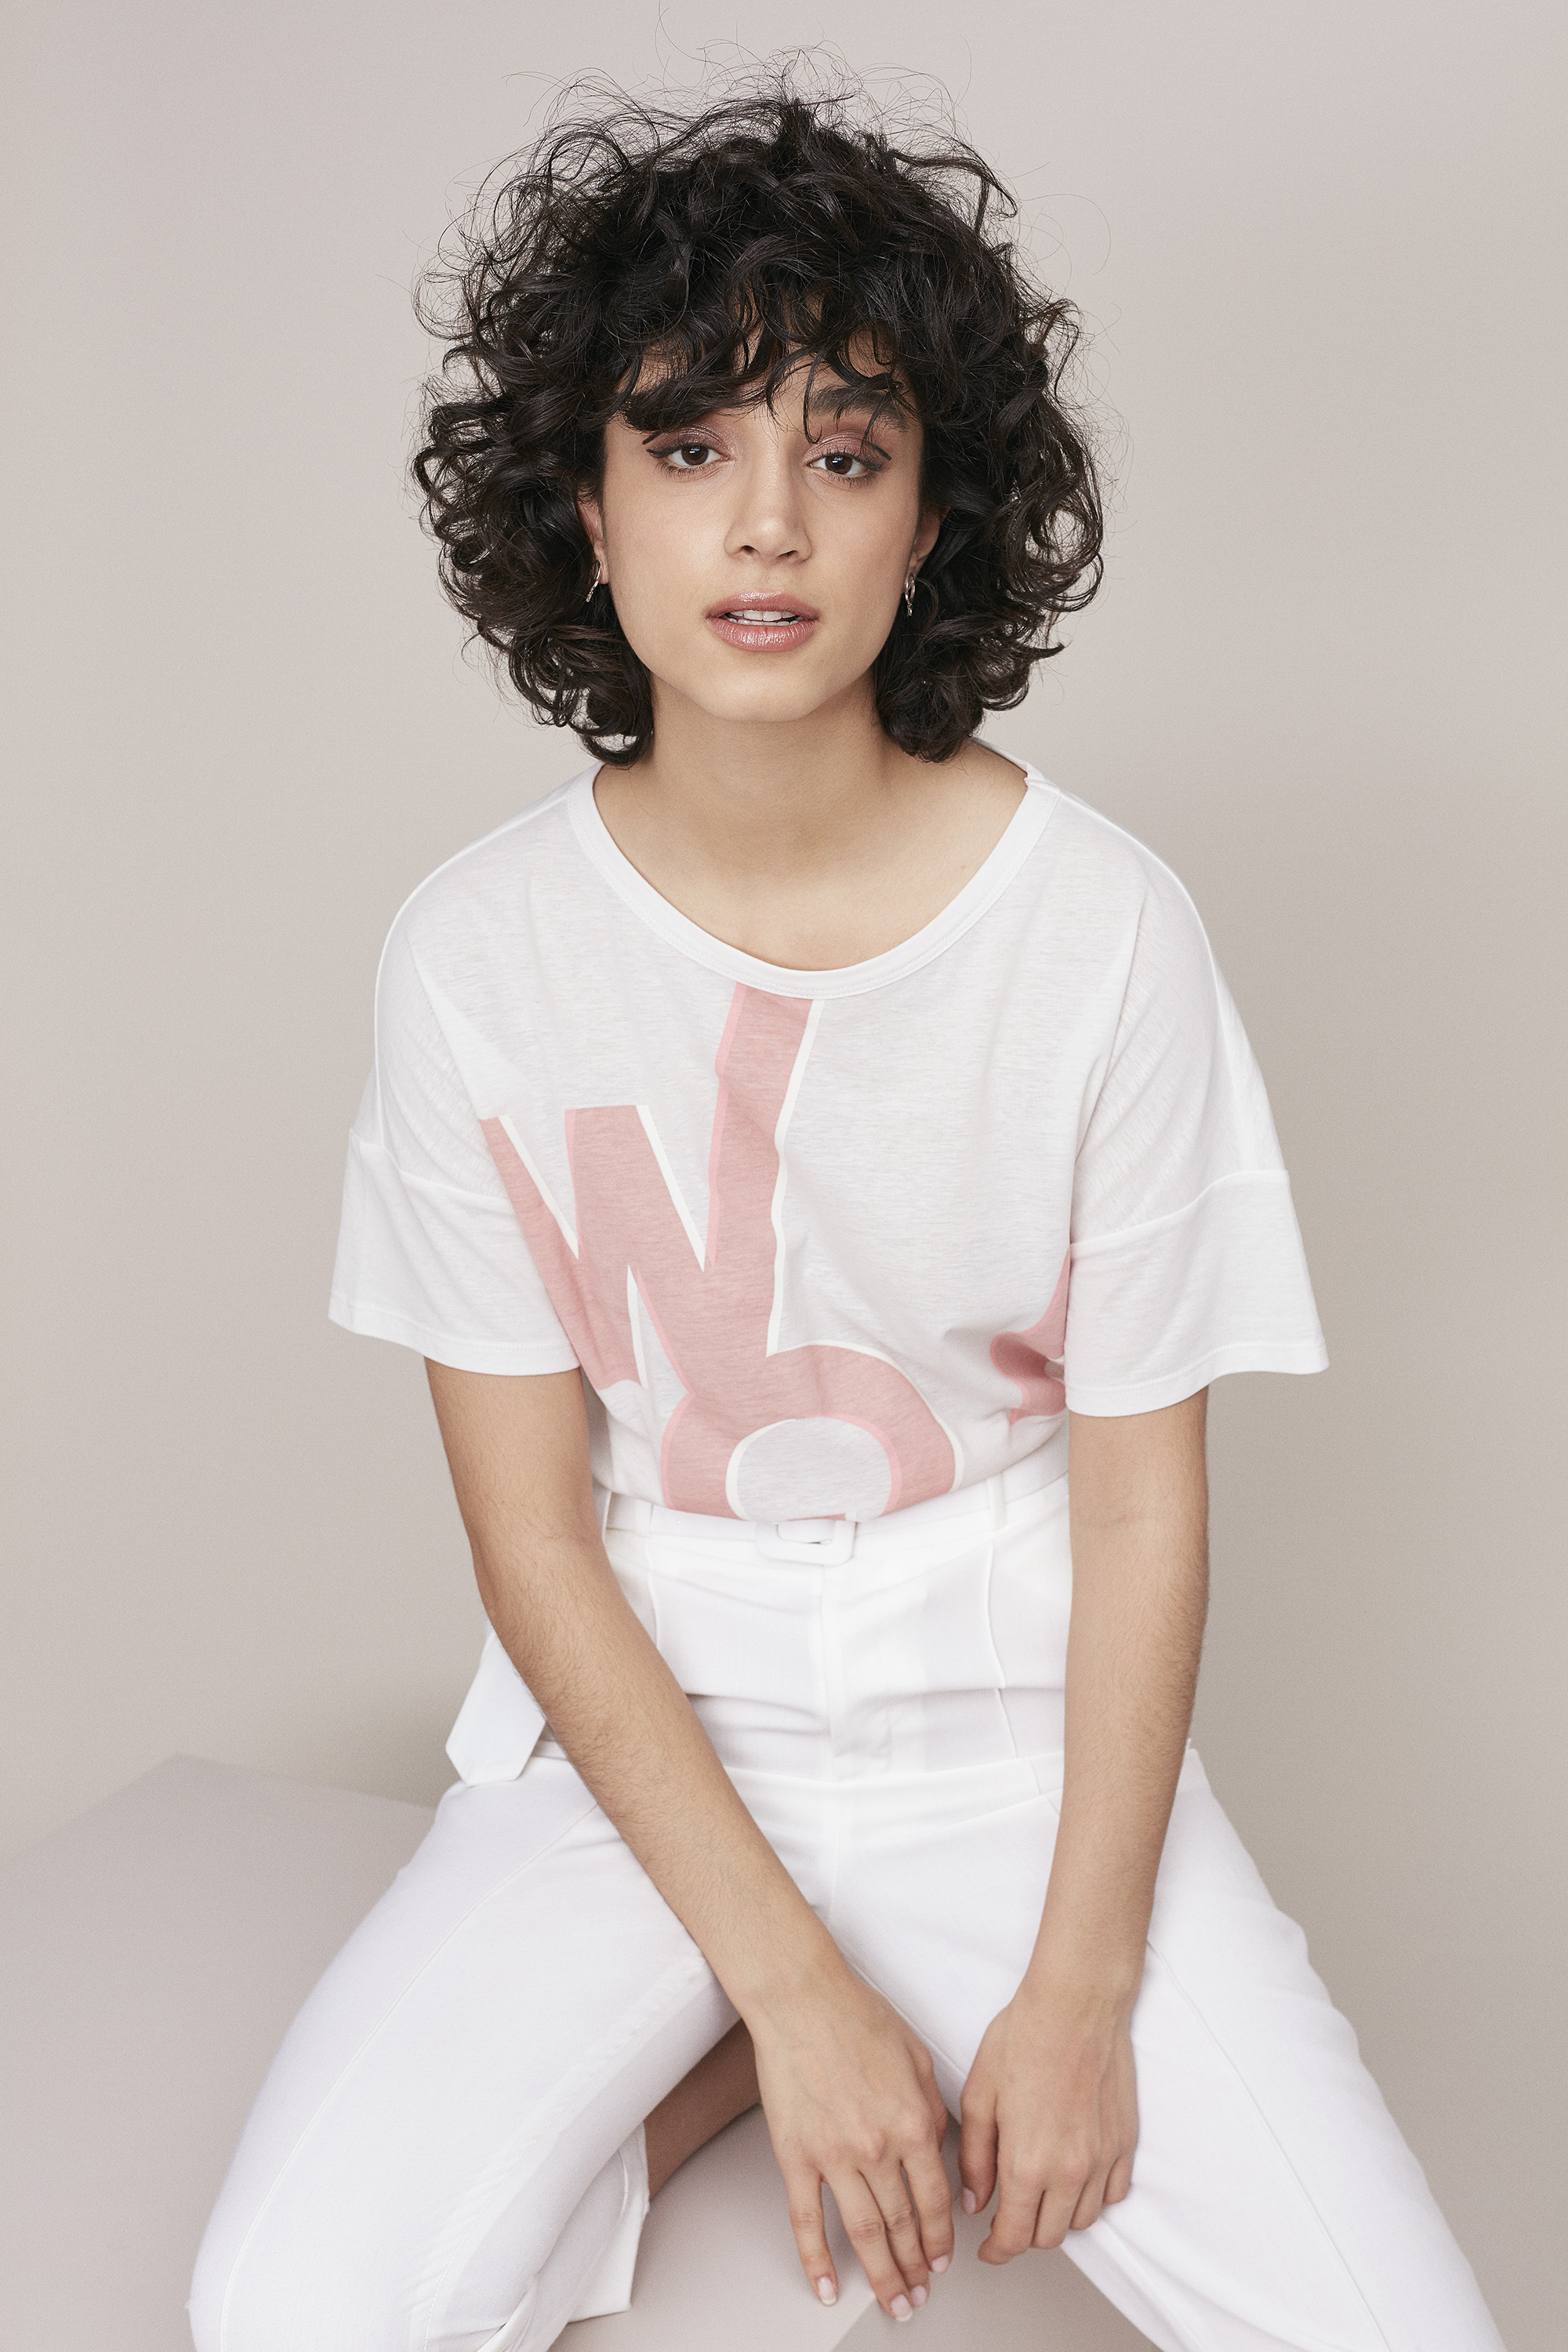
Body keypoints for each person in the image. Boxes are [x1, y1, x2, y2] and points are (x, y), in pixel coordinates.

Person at [187, 73, 1505, 2352]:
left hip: (1015, 1718)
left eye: (848, 450)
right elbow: (535, 1542)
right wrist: (796, 1996)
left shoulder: (1103, 935)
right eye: (689, 445)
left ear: (932, 516)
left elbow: (1141, 1511)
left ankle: (774, 2022)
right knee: (286, 2310)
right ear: (585, 508)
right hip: (646, 1736)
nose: (768, 525)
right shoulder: (474, 958)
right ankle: (718, 2023)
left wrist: (1075, 1989)